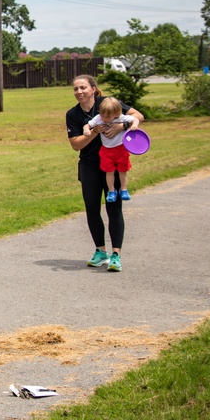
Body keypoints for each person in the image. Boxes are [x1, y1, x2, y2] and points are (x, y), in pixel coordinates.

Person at [66, 75, 145, 273]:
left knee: (113, 208)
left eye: (83, 87)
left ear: (93, 89)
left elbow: (138, 115)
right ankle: (101, 251)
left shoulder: (108, 104)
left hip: (113, 166)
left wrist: (122, 126)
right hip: (89, 165)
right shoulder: (73, 114)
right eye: (76, 89)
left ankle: (116, 255)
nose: (79, 92)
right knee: (92, 209)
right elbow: (76, 145)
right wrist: (95, 131)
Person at [83, 97, 140, 202]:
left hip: (121, 149)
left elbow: (136, 118)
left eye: (108, 116)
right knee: (109, 172)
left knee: (123, 171)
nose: (104, 118)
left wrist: (134, 125)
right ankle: (111, 191)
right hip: (106, 151)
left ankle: (124, 190)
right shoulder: (99, 118)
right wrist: (87, 130)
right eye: (102, 115)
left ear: (116, 114)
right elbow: (88, 124)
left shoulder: (121, 118)